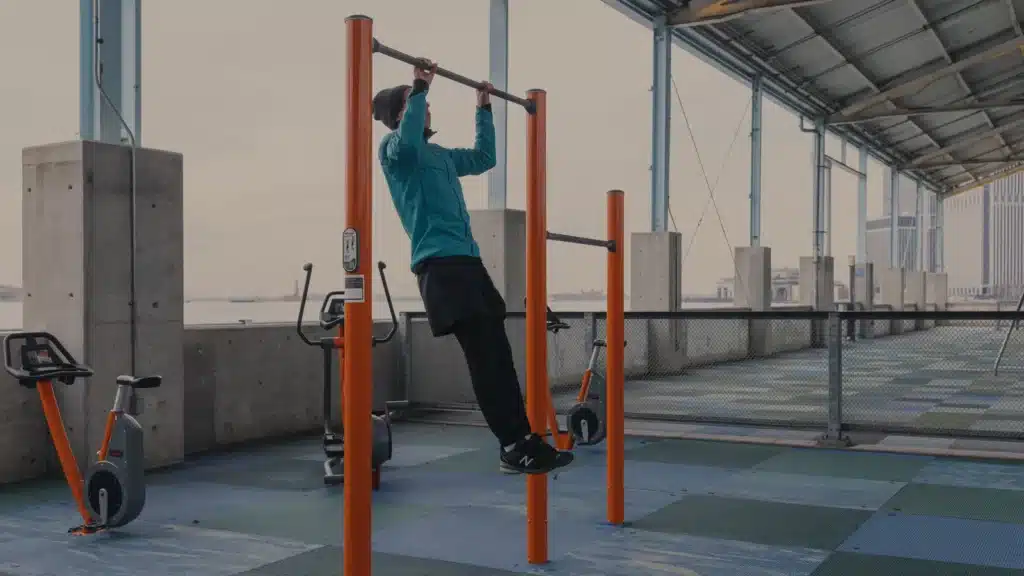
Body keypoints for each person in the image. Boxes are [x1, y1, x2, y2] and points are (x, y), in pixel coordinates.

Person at [372, 62, 573, 475]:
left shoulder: (442, 156)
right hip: (440, 266)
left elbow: (484, 158)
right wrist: (419, 87)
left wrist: (483, 109)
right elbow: (407, 145)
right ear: (399, 114)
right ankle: (511, 445)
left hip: (468, 261)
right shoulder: (394, 152)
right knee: (483, 356)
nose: (425, 107)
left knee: (499, 353)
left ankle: (524, 439)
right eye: (414, 103)